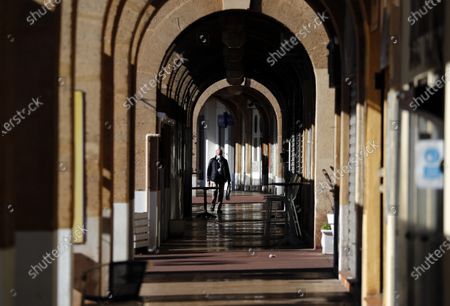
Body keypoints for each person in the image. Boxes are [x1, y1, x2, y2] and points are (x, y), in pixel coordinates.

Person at [207, 148, 231, 213]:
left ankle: (219, 208)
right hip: (214, 179)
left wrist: (229, 180)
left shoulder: (224, 161)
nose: (220, 153)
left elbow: (227, 170)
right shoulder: (212, 160)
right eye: (218, 152)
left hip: (222, 179)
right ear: (216, 153)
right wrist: (208, 180)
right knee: (214, 193)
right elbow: (209, 170)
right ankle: (212, 206)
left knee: (221, 194)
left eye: (220, 152)